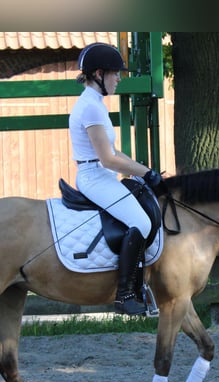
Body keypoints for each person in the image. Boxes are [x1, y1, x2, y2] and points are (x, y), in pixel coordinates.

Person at [69, 42, 162, 316]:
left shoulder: (94, 103)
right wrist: (145, 173)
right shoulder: (91, 108)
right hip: (94, 176)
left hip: (102, 174)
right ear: (99, 74)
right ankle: (125, 295)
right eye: (115, 73)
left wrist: (142, 170)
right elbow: (108, 159)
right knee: (141, 221)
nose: (119, 78)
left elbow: (114, 152)